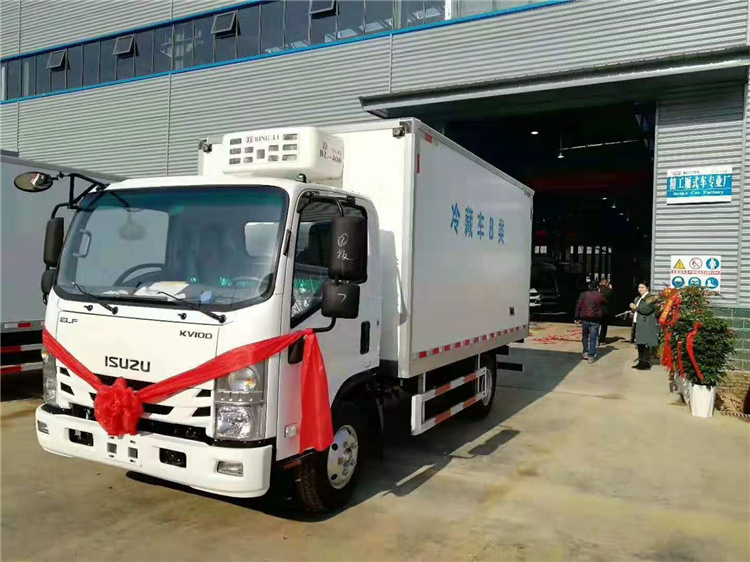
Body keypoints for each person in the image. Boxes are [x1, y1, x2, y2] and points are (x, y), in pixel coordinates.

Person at [575, 282, 607, 364]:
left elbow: (578, 305)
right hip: (595, 319)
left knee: (585, 336)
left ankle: (585, 352)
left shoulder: (583, 295)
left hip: (585, 318)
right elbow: (606, 302)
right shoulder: (599, 295)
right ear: (597, 287)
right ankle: (591, 356)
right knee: (593, 338)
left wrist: (577, 317)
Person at [630, 281, 659, 370]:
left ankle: (646, 363)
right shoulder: (638, 298)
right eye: (639, 287)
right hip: (638, 322)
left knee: (646, 343)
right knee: (640, 343)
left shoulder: (651, 298)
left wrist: (635, 307)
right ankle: (641, 362)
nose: (640, 289)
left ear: (647, 288)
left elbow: (646, 310)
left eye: (642, 287)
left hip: (646, 323)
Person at [598, 279, 613, 344]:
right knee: (604, 326)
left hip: (596, 311)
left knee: (596, 325)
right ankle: (602, 340)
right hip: (605, 311)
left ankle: (596, 338)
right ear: (607, 284)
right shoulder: (609, 291)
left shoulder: (597, 290)